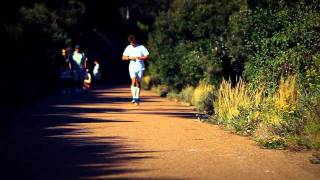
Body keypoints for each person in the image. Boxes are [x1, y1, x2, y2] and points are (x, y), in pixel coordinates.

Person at [122, 34, 150, 105]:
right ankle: (134, 97)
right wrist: (130, 58)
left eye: (133, 42)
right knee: (133, 80)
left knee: (138, 82)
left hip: (140, 67)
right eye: (130, 42)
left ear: (135, 41)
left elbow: (147, 56)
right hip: (132, 66)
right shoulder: (128, 47)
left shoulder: (141, 47)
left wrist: (141, 58)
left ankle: (137, 97)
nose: (132, 44)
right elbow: (123, 57)